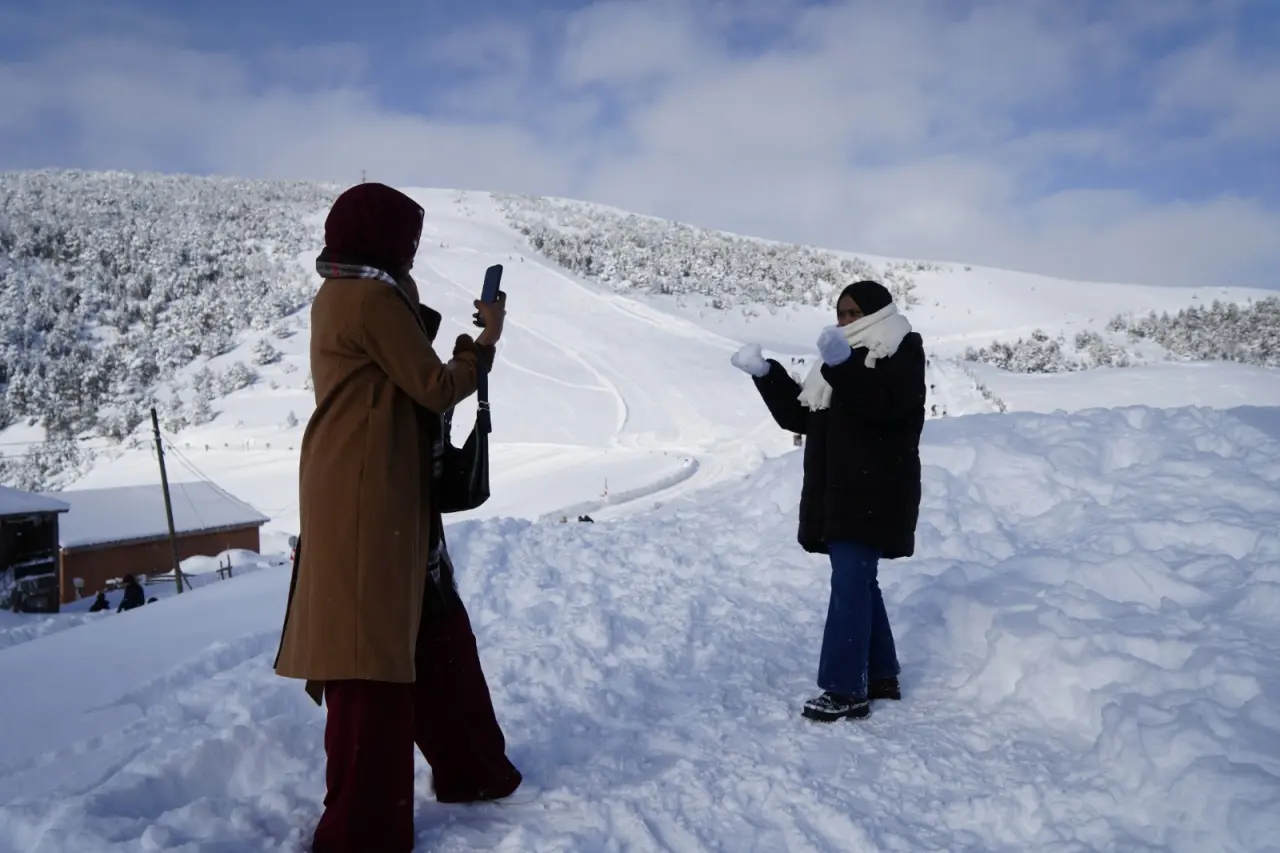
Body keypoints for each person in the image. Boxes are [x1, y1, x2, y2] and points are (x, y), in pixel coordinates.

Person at [273, 182, 520, 853]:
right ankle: (364, 828)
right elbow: (435, 384)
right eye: (406, 238)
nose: (412, 249)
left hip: (374, 485)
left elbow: (397, 361)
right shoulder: (372, 296)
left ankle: (472, 767)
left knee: (428, 625)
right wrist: (485, 341)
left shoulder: (348, 289)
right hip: (369, 493)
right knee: (371, 655)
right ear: (382, 238)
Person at [731, 280, 925, 723]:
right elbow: (802, 416)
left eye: (854, 312)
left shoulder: (900, 349)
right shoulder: (837, 362)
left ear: (877, 310)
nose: (845, 321)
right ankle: (879, 676)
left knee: (850, 586)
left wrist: (844, 367)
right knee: (859, 583)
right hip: (840, 491)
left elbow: (885, 406)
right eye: (840, 314)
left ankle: (845, 689)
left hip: (875, 490)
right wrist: (768, 375)